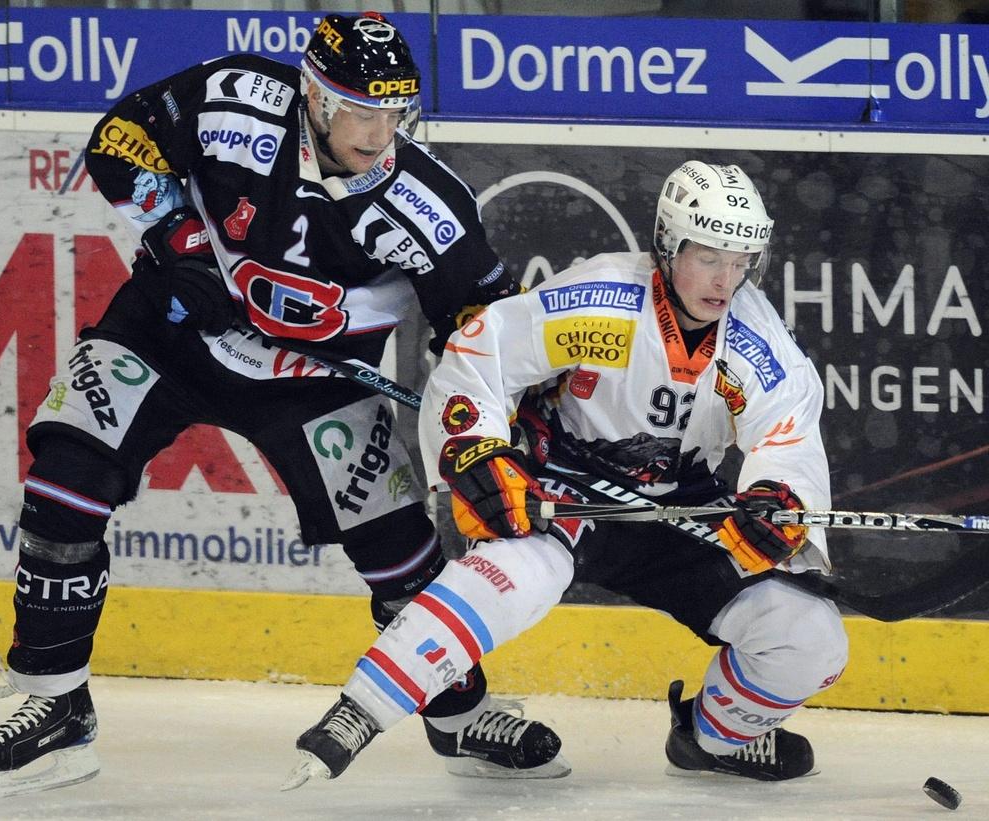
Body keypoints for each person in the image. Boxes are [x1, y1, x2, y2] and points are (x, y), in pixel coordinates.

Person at [0, 12, 569, 801]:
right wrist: (181, 245)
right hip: (171, 328)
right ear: (313, 95)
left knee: (397, 550)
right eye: (359, 108)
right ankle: (56, 707)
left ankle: (460, 714)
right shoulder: (234, 99)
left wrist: (494, 423)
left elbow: (484, 333)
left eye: (394, 111)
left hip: (316, 378)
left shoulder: (428, 202)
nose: (379, 129)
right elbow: (121, 138)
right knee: (65, 477)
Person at [283, 160, 849, 787]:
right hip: (565, 491)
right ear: (668, 243)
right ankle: (356, 713)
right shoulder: (599, 299)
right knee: (510, 578)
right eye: (709, 256)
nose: (726, 279)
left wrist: (780, 500)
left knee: (810, 637)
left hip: (678, 510)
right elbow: (480, 357)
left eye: (742, 260)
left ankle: (712, 737)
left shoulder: (758, 342)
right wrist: (476, 452)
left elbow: (786, 434)